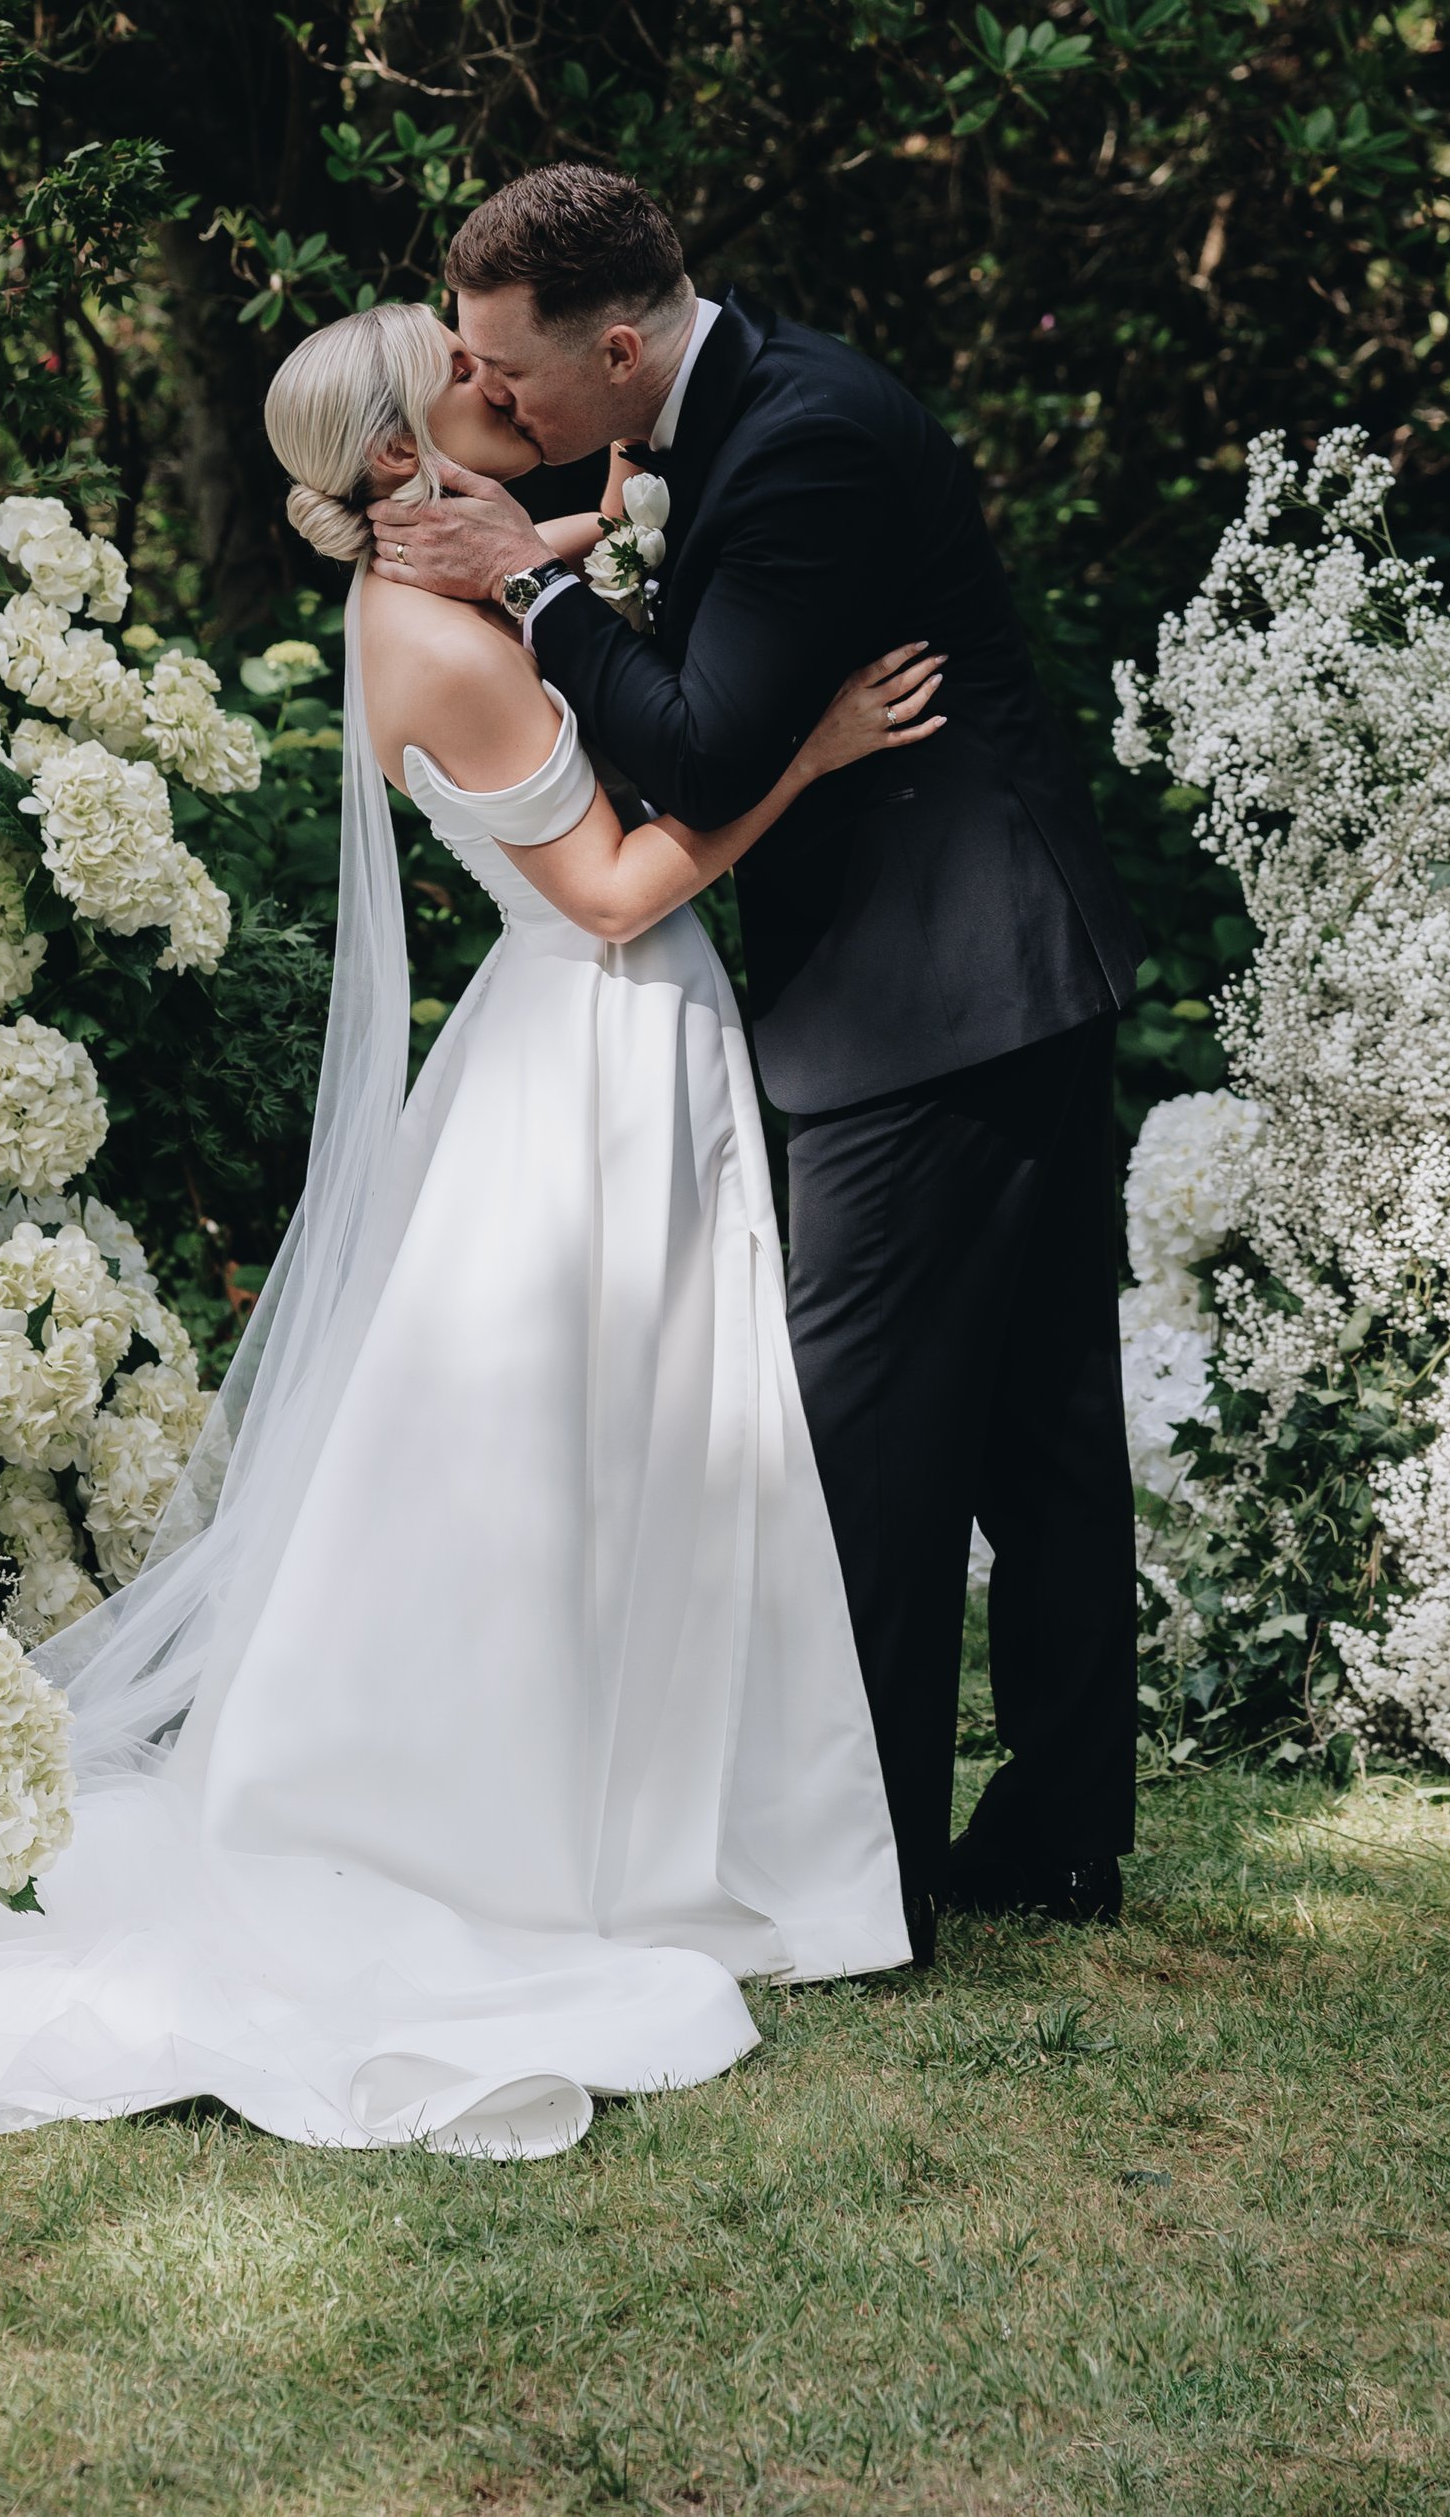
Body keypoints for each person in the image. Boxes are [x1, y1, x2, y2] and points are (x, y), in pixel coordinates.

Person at [0, 301, 942, 2158]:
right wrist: (811, 748)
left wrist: (611, 523)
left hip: (588, 1048)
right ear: (400, 456)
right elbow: (618, 888)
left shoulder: (443, 578)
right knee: (587, 1437)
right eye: (461, 377)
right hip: (596, 1035)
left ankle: (646, 1799)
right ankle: (541, 1828)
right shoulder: (438, 645)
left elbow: (558, 559)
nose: (496, 384)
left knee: (624, 1441)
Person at [371, 168, 1145, 1946]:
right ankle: (1052, 1836)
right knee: (1034, 1423)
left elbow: (709, 751)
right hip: (991, 970)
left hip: (937, 989)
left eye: (512, 372)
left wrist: (532, 581)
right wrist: (569, 552)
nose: (502, 407)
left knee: (867, 1442)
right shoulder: (726, 406)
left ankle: (858, 1870)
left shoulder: (804, 443)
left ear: (615, 348)